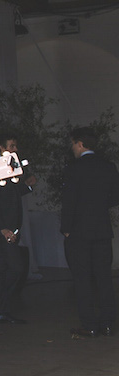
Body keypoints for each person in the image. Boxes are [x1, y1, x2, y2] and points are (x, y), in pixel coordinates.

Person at [60, 126, 119, 338]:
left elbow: (69, 202)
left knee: (82, 279)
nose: (73, 147)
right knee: (104, 278)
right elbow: (115, 197)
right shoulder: (108, 167)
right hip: (102, 230)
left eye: (74, 143)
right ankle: (108, 323)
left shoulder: (73, 168)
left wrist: (66, 229)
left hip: (79, 231)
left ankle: (89, 324)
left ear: (80, 144)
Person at [0, 134, 35, 324]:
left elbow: (13, 194)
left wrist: (28, 187)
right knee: (15, 268)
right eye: (11, 146)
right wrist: (2, 229)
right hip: (6, 229)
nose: (15, 149)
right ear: (1, 148)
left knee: (3, 269)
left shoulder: (13, 169)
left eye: (16, 146)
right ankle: (1, 305)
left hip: (12, 227)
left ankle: (1, 310)